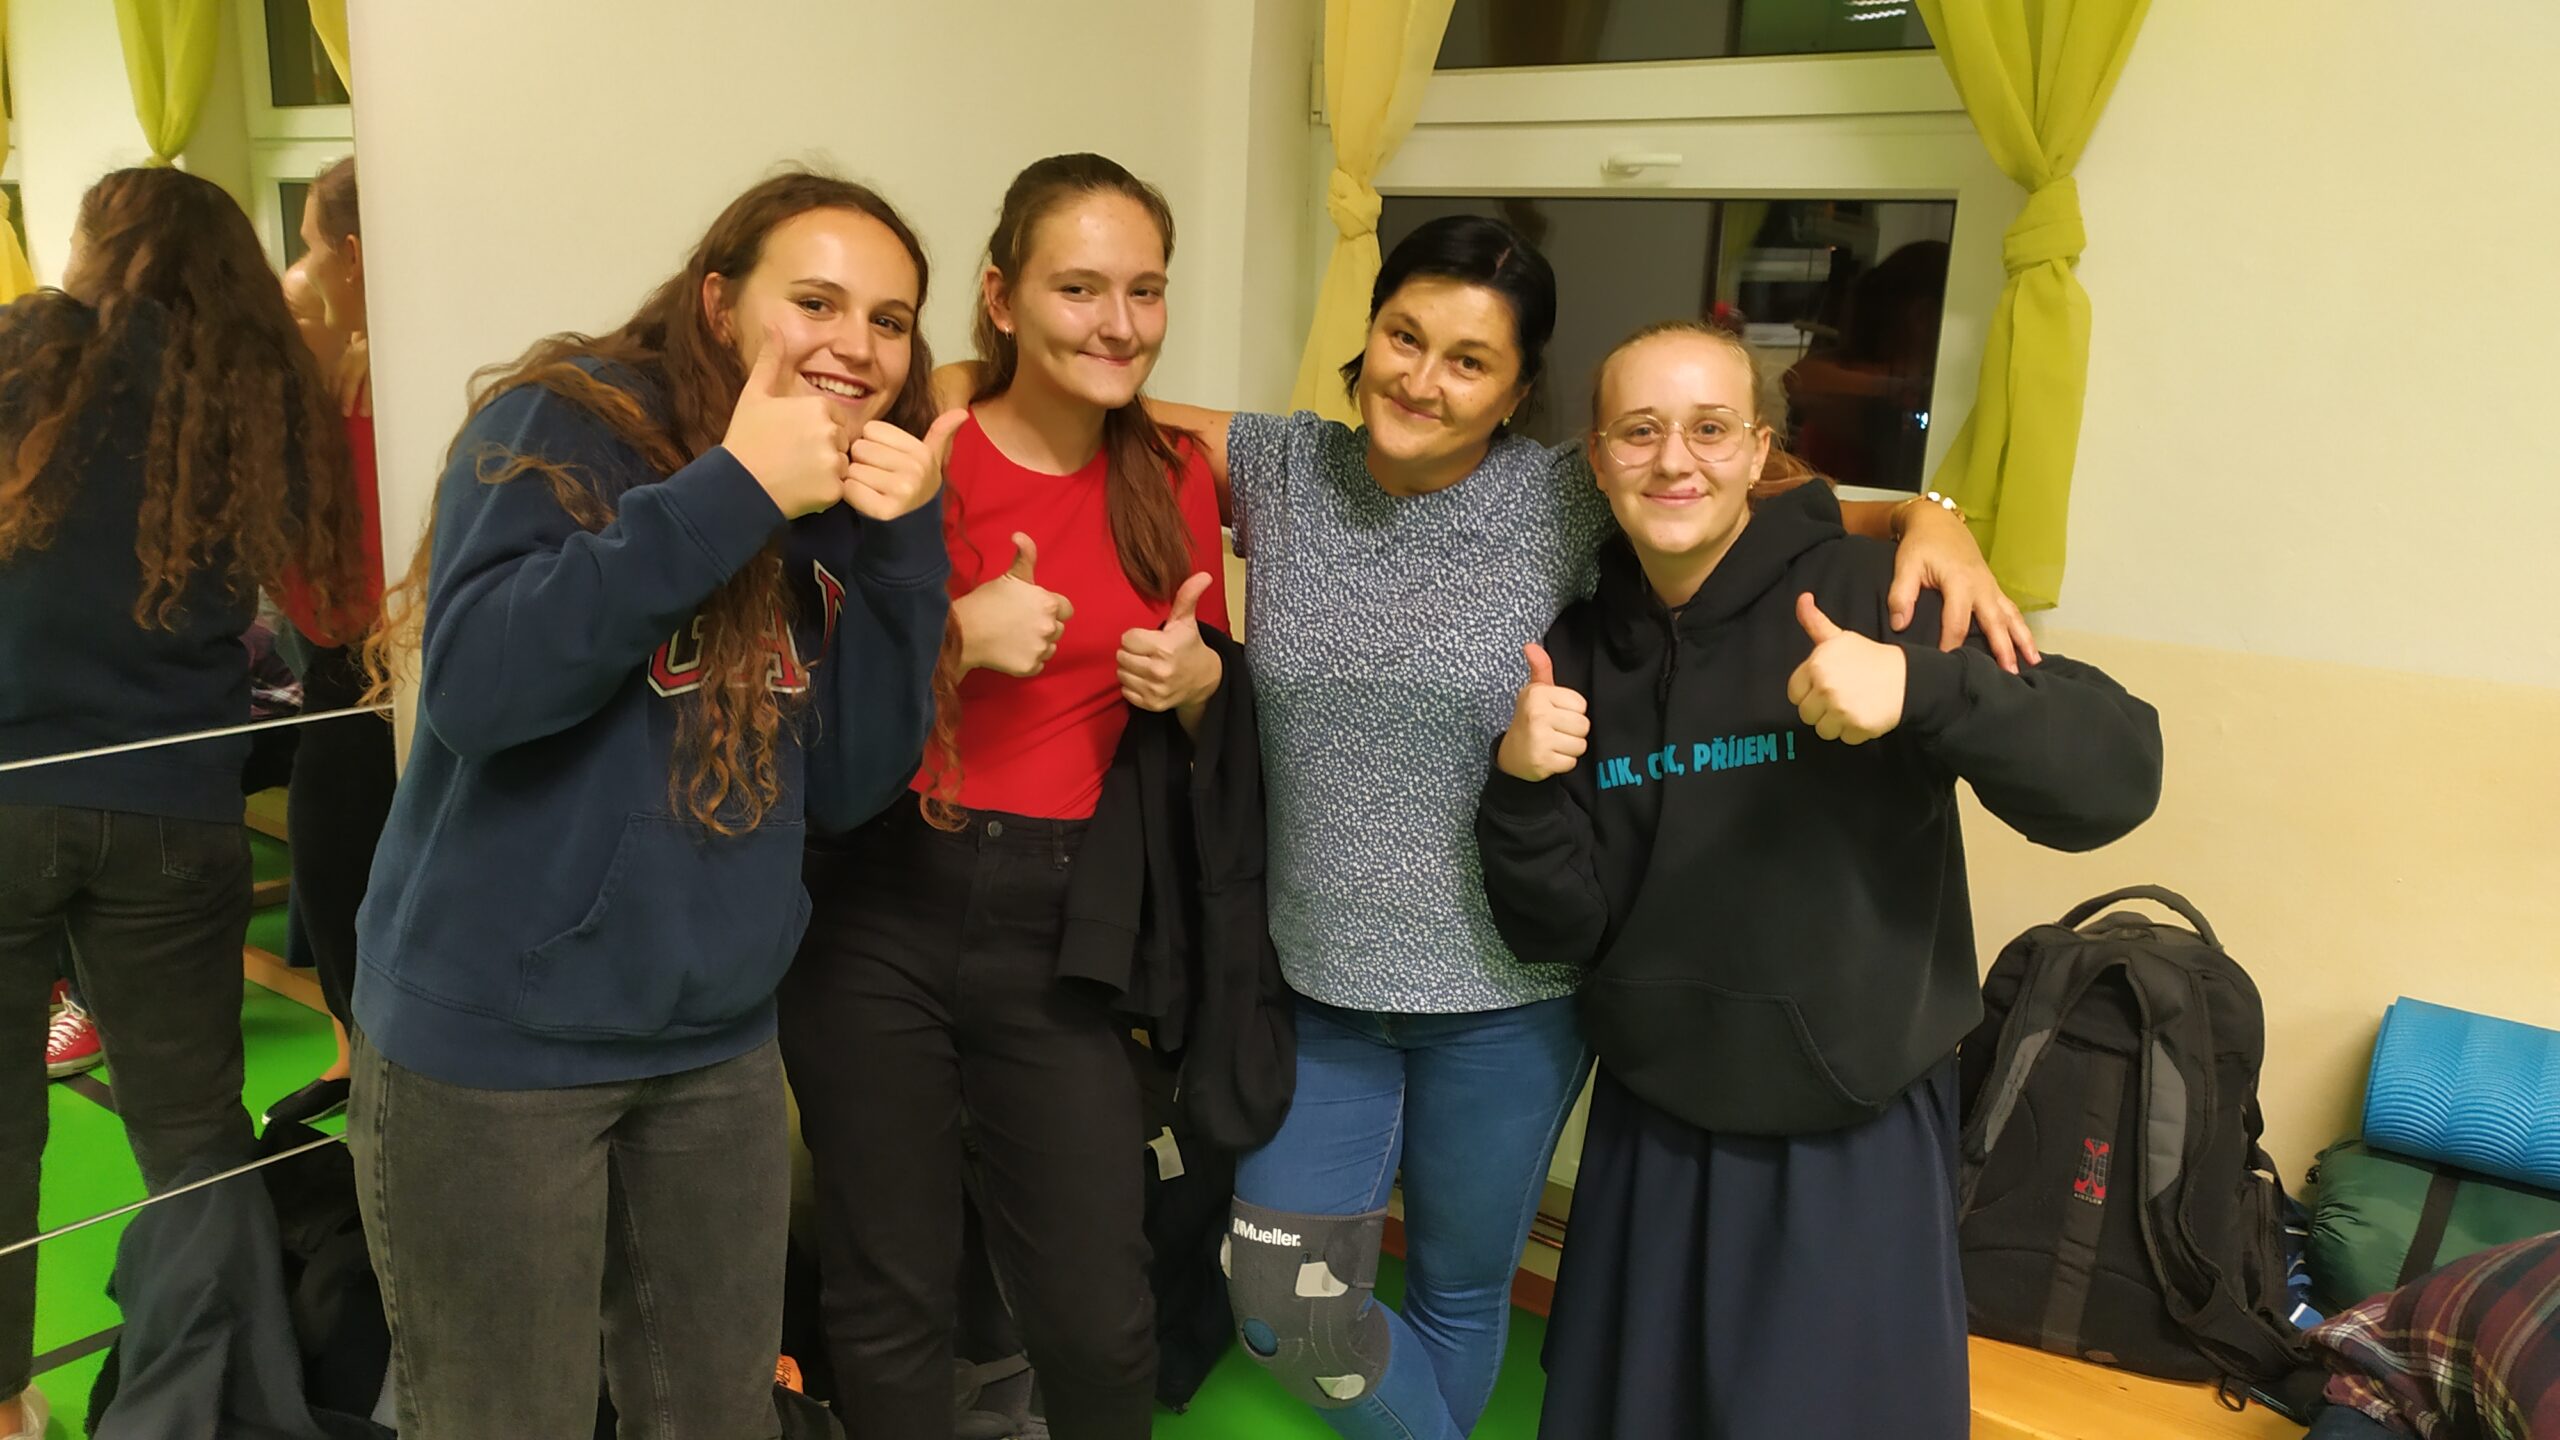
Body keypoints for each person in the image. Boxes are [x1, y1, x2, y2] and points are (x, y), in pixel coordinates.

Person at [1098, 214, 2038, 1440]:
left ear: (1516, 393)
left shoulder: (1561, 494)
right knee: (1283, 1306)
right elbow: (1092, 398)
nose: (1422, 379)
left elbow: (1781, 502)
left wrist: (1932, 515)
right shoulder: (1282, 468)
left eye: (1469, 361)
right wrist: (948, 385)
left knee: (1456, 1293)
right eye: (1404, 337)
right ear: (1368, 338)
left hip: (1507, 1000)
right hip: (1317, 991)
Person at [349, 168, 961, 1438]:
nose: (856, 344)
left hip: (714, 1048)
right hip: (499, 1048)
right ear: (719, 302)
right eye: (816, 301)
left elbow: (850, 786)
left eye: (891, 320)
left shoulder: (849, 497)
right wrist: (737, 486)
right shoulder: (566, 421)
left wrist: (907, 542)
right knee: (504, 1420)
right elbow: (477, 691)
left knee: (718, 1415)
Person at [1477, 318, 2162, 1438]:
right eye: (1639, 432)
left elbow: (2118, 777)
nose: (1674, 460)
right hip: (1653, 1126)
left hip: (1846, 1127)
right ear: (1596, 459)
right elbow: (1562, 925)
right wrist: (1519, 789)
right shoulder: (1584, 647)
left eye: (1709, 428)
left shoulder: (1876, 594)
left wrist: (1920, 690)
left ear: (1760, 450)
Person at [784, 152, 1231, 1440]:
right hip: (879, 902)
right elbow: (793, 695)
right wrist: (952, 639)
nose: (1118, 322)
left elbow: (1211, 702)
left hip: (1064, 922)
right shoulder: (914, 452)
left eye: (1144, 289)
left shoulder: (1176, 476)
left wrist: (1200, 681)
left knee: (1098, 1313)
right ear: (1000, 295)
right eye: (1078, 287)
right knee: (890, 1294)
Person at [0, 166, 362, 1440]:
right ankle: (207, 1406)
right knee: (194, 1131)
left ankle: (4, 1405)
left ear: (100, 251)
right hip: (173, 801)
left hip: (10, 789)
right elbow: (326, 611)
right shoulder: (257, 400)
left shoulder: (32, 353)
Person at [268, 154, 393, 1129]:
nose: (302, 265)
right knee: (333, 876)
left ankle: (377, 1075)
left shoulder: (372, 382)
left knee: (348, 872)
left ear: (353, 253)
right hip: (347, 666)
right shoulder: (344, 372)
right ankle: (355, 1058)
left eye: (312, 244)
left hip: (376, 666)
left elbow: (331, 592)